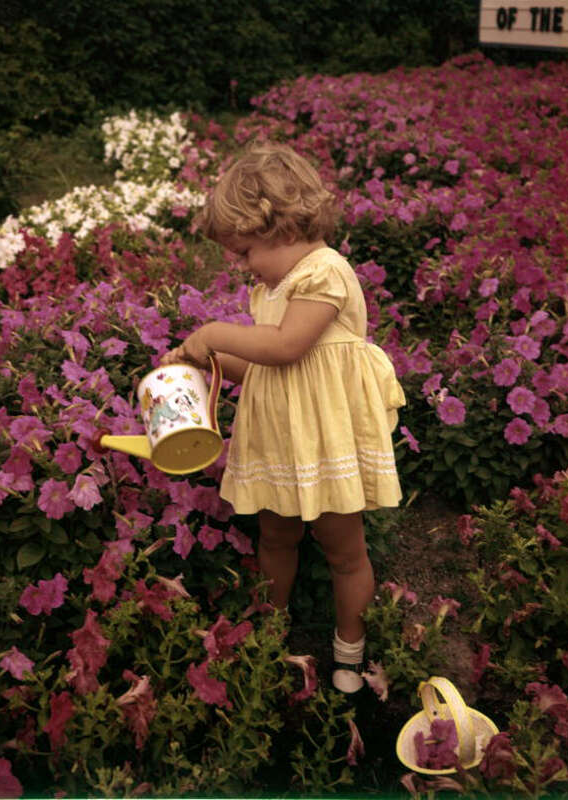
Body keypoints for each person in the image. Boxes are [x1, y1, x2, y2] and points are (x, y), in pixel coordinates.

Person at [161, 143, 405, 693]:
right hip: (280, 440)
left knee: (344, 549)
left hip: (322, 440)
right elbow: (260, 363)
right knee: (276, 536)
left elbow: (289, 346)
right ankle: (272, 629)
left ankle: (349, 648)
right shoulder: (272, 288)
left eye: (245, 251)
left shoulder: (326, 274)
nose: (242, 265)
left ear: (280, 225)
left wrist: (212, 333)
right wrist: (206, 363)